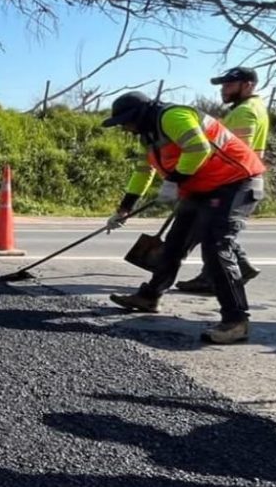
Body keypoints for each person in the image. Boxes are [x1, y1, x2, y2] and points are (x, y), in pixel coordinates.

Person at [102, 91, 265, 345]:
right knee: (174, 243)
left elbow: (198, 148)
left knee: (215, 246)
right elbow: (143, 172)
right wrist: (124, 209)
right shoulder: (148, 136)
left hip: (236, 182)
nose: (124, 127)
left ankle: (236, 321)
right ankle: (150, 296)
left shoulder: (173, 116)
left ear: (140, 115)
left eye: (126, 121)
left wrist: (174, 181)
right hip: (201, 187)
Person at [174, 66, 269, 295]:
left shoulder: (244, 111)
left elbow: (236, 152)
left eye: (229, 85)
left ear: (248, 85)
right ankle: (236, 268)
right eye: (223, 86)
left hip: (233, 179)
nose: (223, 90)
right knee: (214, 229)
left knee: (214, 231)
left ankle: (215, 279)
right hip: (242, 178)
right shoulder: (254, 108)